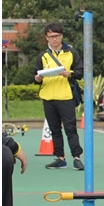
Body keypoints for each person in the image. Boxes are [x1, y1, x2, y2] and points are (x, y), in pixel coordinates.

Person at [35, 23, 84, 171]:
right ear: (46, 38)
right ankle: (60, 158)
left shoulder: (71, 53)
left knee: (70, 128)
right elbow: (35, 74)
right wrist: (37, 78)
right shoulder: (42, 56)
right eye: (51, 37)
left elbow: (80, 71)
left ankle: (76, 157)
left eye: (56, 36)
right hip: (48, 97)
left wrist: (71, 74)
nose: (54, 39)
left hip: (65, 96)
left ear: (61, 36)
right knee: (54, 129)